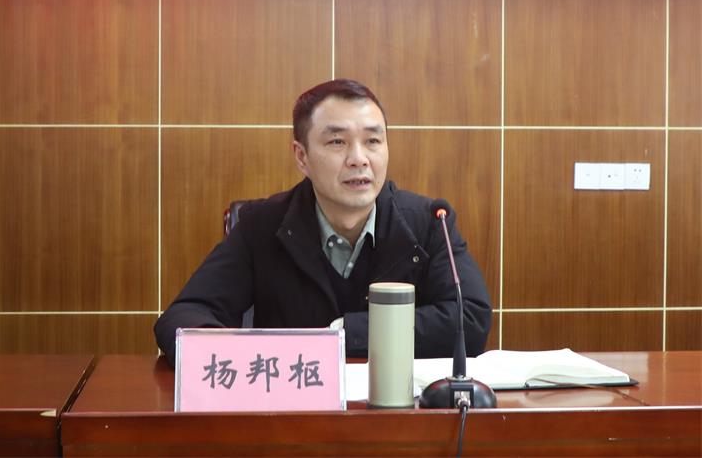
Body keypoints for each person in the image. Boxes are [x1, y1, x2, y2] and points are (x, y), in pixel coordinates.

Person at [155, 79, 492, 366]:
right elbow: (183, 317)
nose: (359, 159)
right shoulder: (262, 225)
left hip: (398, 412)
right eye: (337, 142)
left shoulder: (429, 222)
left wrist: (347, 333)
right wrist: (240, 356)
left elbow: (470, 319)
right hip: (293, 412)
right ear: (302, 157)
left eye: (373, 141)